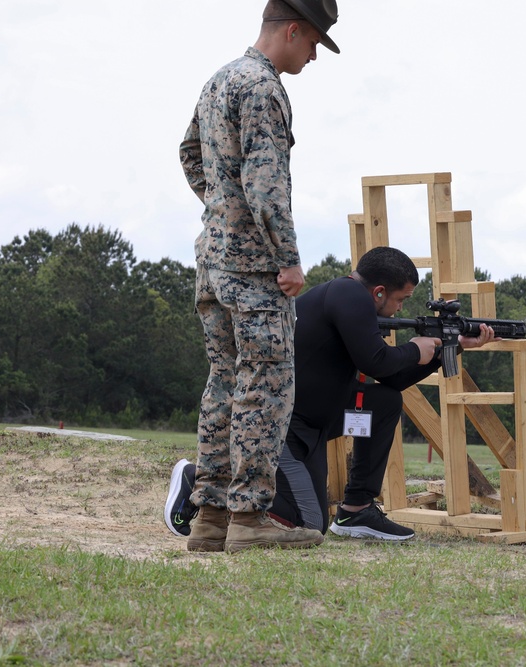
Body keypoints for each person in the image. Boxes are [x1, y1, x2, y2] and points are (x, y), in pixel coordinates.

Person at [166, 247, 496, 542]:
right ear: (379, 292)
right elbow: (377, 362)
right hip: (283, 431)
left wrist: (443, 353)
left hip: (322, 425)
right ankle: (201, 481)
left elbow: (392, 380)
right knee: (310, 522)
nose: (398, 310)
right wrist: (415, 349)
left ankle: (357, 509)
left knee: (382, 404)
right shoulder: (348, 293)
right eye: (400, 299)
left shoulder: (352, 299)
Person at [176, 0, 341, 554]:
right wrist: (286, 258)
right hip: (253, 271)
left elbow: (190, 154)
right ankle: (249, 518)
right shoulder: (264, 88)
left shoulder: (218, 80)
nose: (314, 56)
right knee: (265, 389)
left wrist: (222, 210)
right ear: (292, 30)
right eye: (314, 43)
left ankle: (209, 519)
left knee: (223, 385)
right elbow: (267, 184)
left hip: (212, 264)